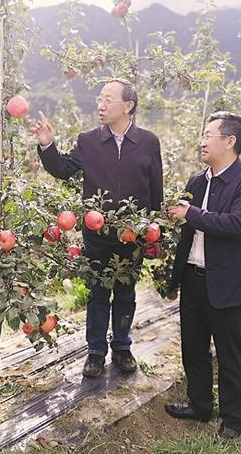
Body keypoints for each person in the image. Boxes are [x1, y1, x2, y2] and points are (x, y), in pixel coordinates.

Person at [30, 79, 163, 378]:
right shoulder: (89, 141)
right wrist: (47, 145)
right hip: (97, 236)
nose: (100, 105)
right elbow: (63, 169)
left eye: (107, 100)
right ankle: (95, 351)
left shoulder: (148, 142)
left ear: (127, 106)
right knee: (98, 293)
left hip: (132, 235)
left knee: (126, 293)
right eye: (99, 99)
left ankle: (122, 347)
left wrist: (155, 232)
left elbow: (156, 190)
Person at [164, 111, 241, 439]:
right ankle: (200, 405)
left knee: (228, 351)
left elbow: (237, 224)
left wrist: (191, 213)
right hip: (194, 278)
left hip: (228, 282)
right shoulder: (197, 181)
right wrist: (173, 277)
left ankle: (233, 419)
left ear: (230, 141)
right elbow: (185, 231)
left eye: (209, 135)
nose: (202, 141)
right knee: (193, 348)